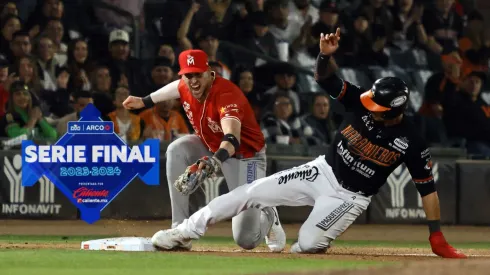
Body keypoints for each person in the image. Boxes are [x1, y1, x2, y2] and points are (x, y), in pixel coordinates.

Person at [144, 29, 467, 258]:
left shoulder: (410, 140)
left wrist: (435, 234)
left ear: (395, 111)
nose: (369, 106)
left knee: (307, 244)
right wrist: (324, 56)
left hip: (349, 197)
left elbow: (428, 190)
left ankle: (314, 238)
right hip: (321, 170)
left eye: (377, 107)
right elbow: (325, 80)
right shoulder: (360, 100)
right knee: (248, 193)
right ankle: (183, 231)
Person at [122, 49, 286, 252]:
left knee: (246, 239)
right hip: (210, 145)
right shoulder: (186, 84)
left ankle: (268, 212)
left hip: (245, 156)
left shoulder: (226, 95)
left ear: (209, 72)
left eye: (198, 74)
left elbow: (232, 138)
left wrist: (215, 161)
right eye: (188, 75)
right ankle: (180, 231)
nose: (193, 81)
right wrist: (145, 100)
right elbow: (177, 87)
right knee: (176, 149)